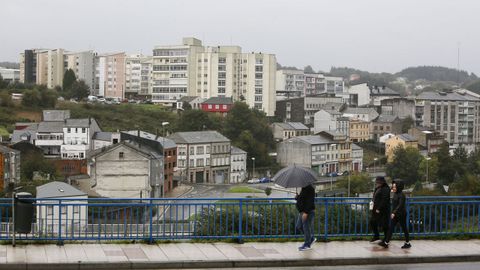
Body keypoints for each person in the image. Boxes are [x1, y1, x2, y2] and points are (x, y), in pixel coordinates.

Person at [382, 179, 411, 249]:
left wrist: (394, 213)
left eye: (395, 187)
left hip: (401, 215)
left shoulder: (402, 195)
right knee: (391, 228)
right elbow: (394, 204)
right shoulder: (395, 194)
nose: (393, 188)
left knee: (404, 229)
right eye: (393, 187)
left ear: (399, 187)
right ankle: (386, 242)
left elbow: (400, 205)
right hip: (395, 214)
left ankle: (407, 243)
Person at [370, 176, 390, 246]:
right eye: (377, 182)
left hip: (383, 210)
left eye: (378, 182)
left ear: (382, 182)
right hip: (375, 209)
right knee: (372, 222)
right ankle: (376, 236)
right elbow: (375, 196)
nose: (377, 183)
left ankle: (386, 239)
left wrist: (379, 208)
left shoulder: (386, 189)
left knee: (384, 225)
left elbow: (384, 200)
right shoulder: (378, 188)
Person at [295, 184, 316, 251]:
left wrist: (306, 212)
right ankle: (311, 238)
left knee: (306, 228)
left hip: (307, 212)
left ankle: (307, 244)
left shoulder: (310, 188)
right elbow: (303, 199)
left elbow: (310, 202)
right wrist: (297, 197)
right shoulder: (304, 188)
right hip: (302, 212)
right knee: (299, 226)